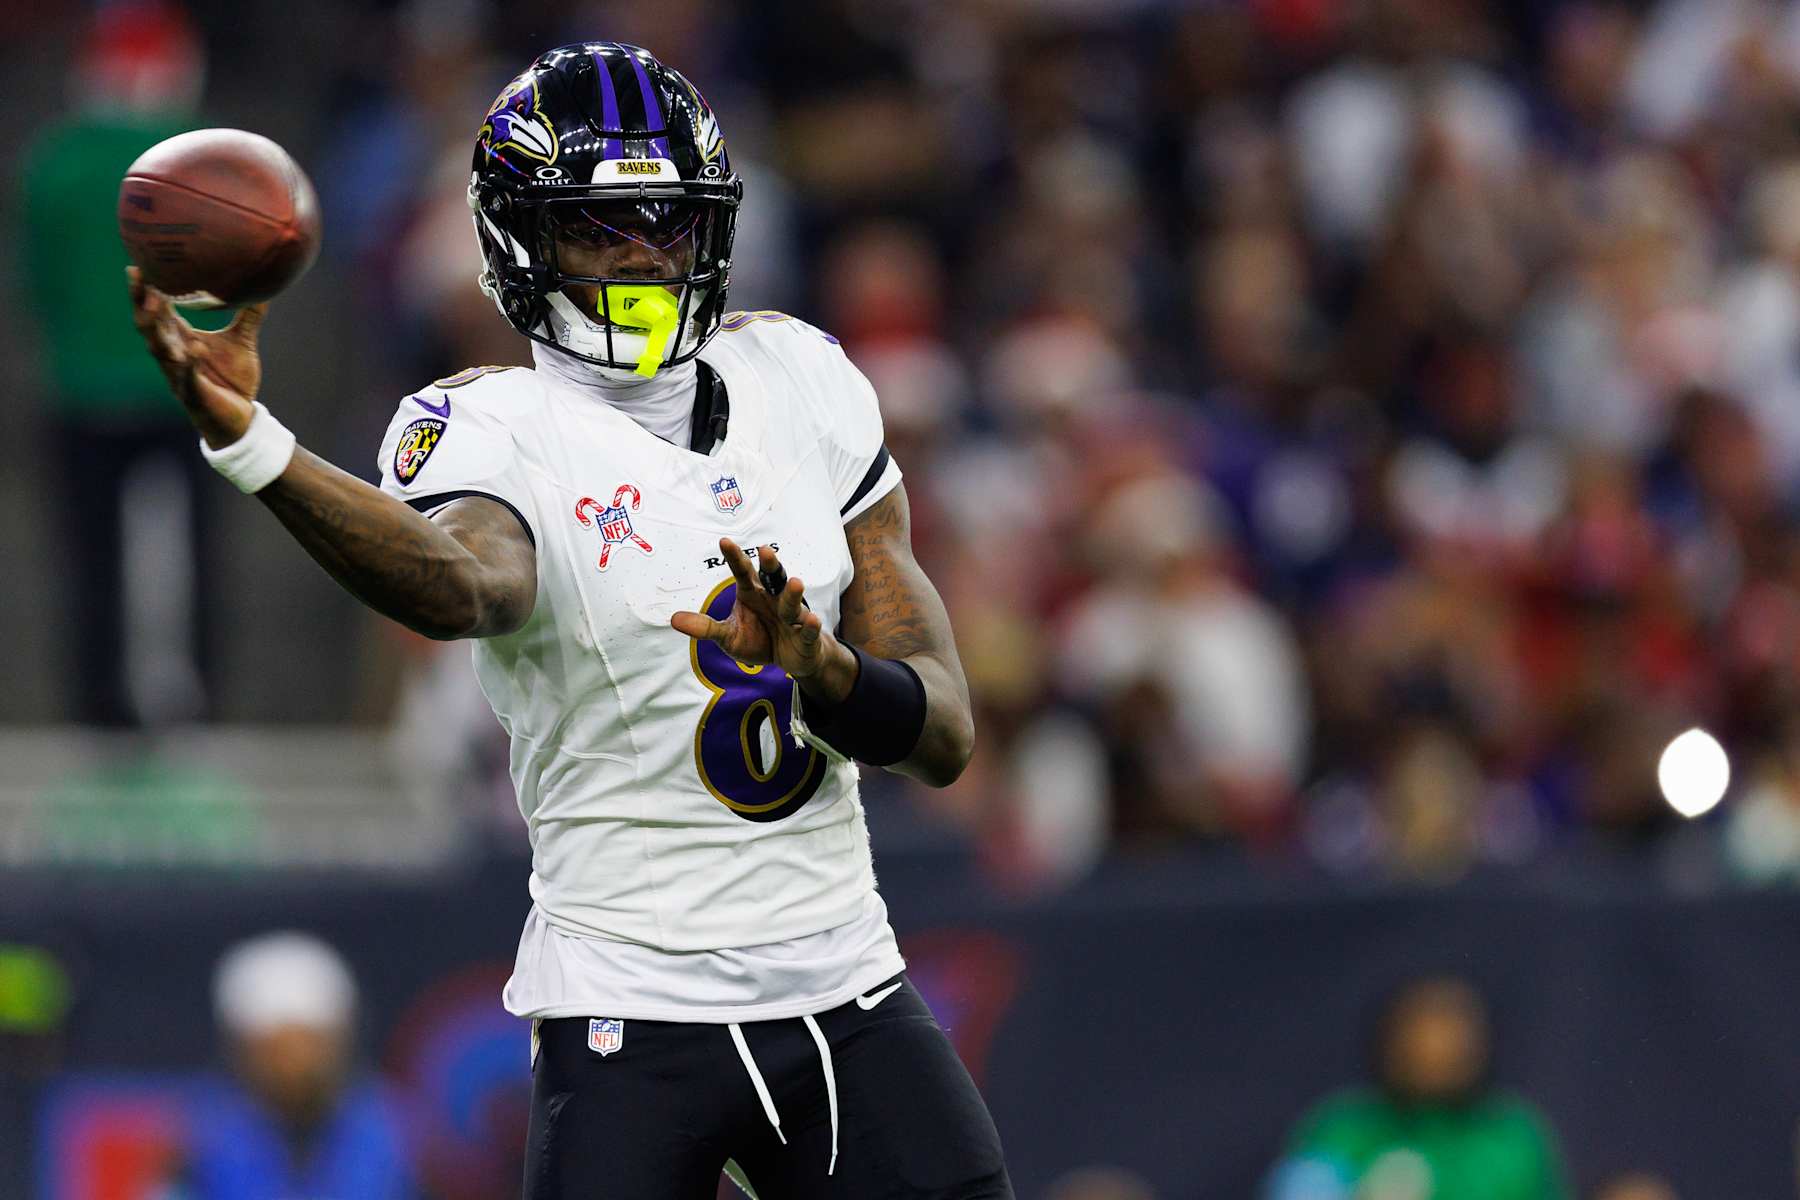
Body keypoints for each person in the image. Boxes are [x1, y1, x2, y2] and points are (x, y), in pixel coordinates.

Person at [128, 41, 1006, 1199]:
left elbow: (942, 734)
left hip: (848, 984)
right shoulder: (490, 427)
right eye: (601, 229)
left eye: (667, 224)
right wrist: (259, 447)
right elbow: (470, 587)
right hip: (629, 1015)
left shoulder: (805, 379)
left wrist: (827, 672)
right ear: (518, 244)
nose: (644, 257)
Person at [17, 0, 217, 725]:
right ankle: (194, 698)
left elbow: (36, 281)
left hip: (81, 391)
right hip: (185, 390)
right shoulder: (201, 155)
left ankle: (97, 705)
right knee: (190, 558)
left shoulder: (57, 161)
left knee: (91, 560)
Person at [1268, 976, 1570, 1200]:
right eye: (1423, 1033)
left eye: (1455, 1035)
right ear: (1391, 1042)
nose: (1437, 1050)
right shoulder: (1341, 1130)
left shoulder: (1514, 1136)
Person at [169, 932, 412, 1198]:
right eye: (276, 1048)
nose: (296, 1063)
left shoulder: (399, 1136)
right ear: (241, 1049)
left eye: (311, 1041)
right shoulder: (199, 1140)